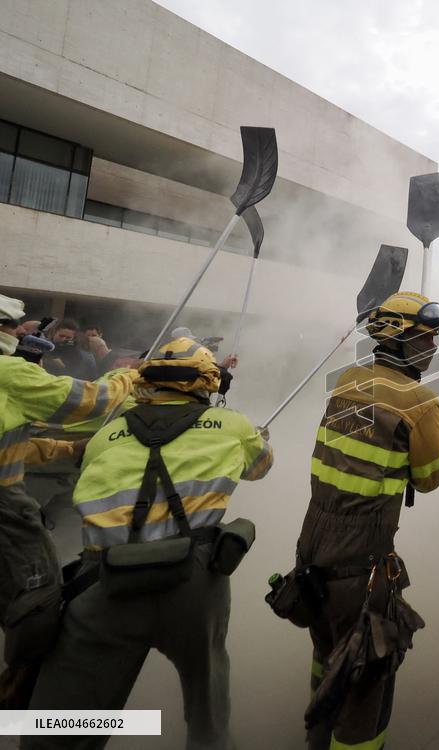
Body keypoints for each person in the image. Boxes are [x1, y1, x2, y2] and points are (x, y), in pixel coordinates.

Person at [24, 336, 273, 750]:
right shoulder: (234, 425)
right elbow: (260, 467)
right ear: (208, 382)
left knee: (63, 726)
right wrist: (257, 440)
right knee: (208, 700)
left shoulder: (109, 433)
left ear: (146, 382)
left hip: (106, 582)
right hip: (192, 582)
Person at [298, 291, 439, 750]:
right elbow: (428, 479)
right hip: (362, 563)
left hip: (312, 548)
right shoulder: (421, 401)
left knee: (326, 655)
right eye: (424, 341)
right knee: (368, 675)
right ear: (397, 339)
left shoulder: (345, 379)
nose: (431, 350)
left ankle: (314, 739)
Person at [0, 294, 137, 707]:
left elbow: (10, 444)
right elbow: (90, 404)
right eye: (13, 327)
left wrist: (65, 450)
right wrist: (128, 378)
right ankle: (20, 695)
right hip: (6, 510)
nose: (21, 335)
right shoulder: (8, 372)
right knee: (40, 597)